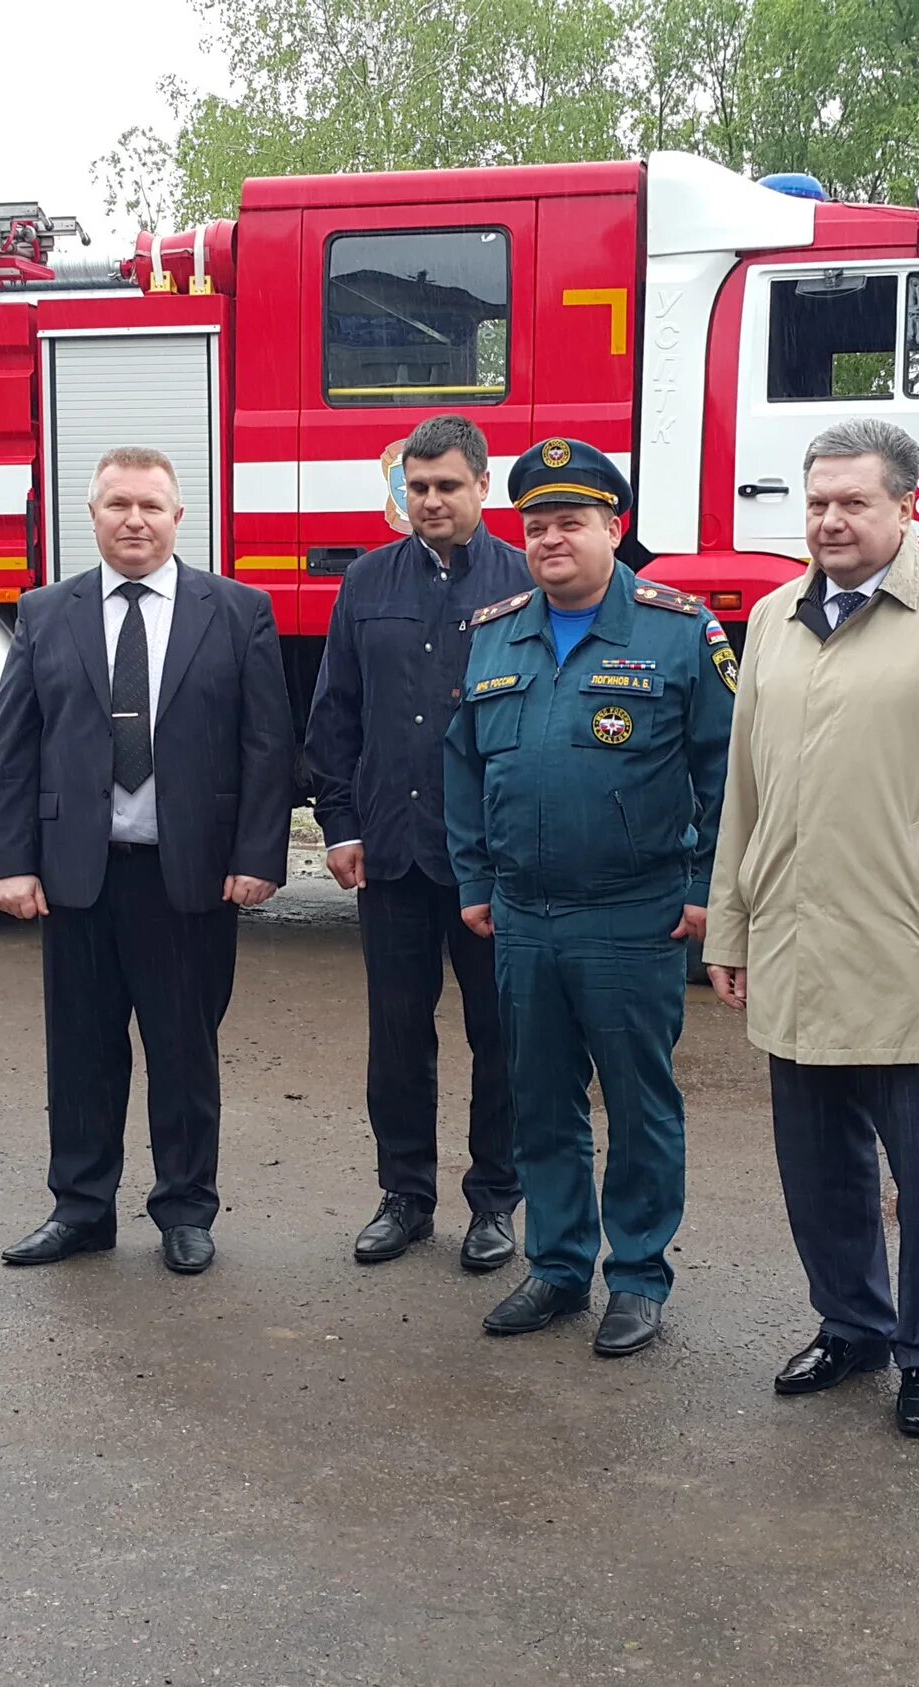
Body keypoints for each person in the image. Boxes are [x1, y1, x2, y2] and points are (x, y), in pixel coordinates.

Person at [703, 418, 919, 1439]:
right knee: (817, 1164)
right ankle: (851, 1322)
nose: (831, 520)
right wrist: (730, 924)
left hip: (912, 946)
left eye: (854, 502)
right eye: (816, 502)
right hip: (796, 940)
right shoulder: (770, 618)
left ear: (907, 506)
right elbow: (743, 790)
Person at [443, 438, 733, 1357]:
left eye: (570, 521)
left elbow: (728, 770)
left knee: (640, 1104)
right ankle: (560, 1266)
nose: (549, 538)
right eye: (535, 524)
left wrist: (705, 889)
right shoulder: (495, 630)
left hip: (631, 914)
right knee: (540, 1099)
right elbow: (461, 764)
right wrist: (477, 877)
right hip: (524, 915)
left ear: (617, 527)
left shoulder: (678, 630)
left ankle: (639, 1276)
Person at [0, 447, 296, 1278]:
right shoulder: (47, 613)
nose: (134, 520)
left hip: (187, 876)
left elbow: (267, 748)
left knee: (184, 1051)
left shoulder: (237, 611)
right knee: (81, 1053)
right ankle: (81, 1209)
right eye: (117, 504)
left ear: (179, 517)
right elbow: (13, 747)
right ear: (90, 516)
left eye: (151, 506)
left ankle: (186, 1210)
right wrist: (11, 861)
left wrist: (258, 855)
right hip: (78, 876)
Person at [305, 416, 533, 1271]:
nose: (430, 500)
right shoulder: (366, 581)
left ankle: (493, 1201)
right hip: (392, 853)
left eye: (446, 485)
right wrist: (340, 824)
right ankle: (404, 1194)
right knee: (397, 1033)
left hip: (489, 859)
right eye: (416, 486)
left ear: (482, 486)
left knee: (498, 1035)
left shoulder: (524, 580)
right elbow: (338, 712)